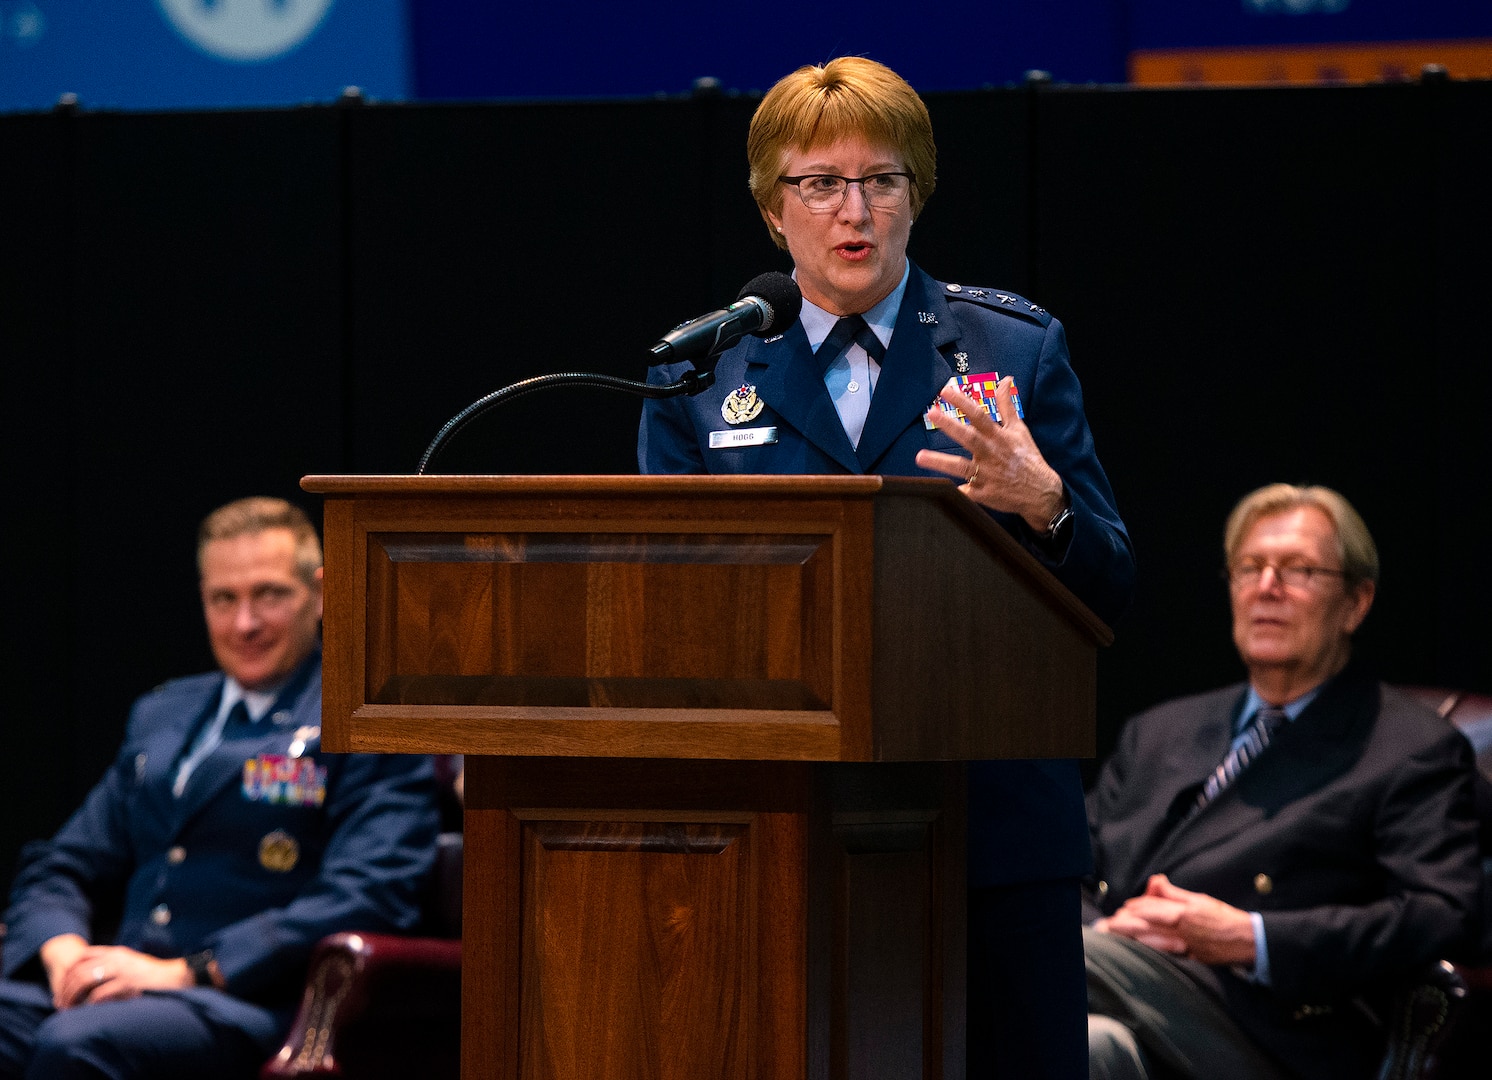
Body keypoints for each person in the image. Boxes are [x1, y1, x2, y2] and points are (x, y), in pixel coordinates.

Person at [640, 56, 1135, 1078]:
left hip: (991, 830)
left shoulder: (1014, 350)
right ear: (773, 212)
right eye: (819, 184)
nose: (852, 210)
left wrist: (1045, 507)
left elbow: (1111, 589)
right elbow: (666, 611)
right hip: (783, 827)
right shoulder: (701, 374)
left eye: (882, 180)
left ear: (918, 195)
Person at [0, 497, 439, 1080]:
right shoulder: (163, 712)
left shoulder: (364, 718)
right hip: (120, 984)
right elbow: (65, 864)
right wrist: (64, 953)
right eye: (223, 599)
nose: (245, 624)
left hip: (247, 1000)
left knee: (78, 1044)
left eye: (270, 595)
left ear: (323, 593)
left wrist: (189, 970)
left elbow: (367, 894)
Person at [1084, 483, 1482, 1080]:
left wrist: (1252, 937)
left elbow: (1443, 915)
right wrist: (1107, 929)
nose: (1266, 587)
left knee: (1024, 951)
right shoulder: (1161, 731)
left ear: (1356, 601)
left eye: (1298, 570)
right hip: (1122, 984)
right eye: (1250, 568)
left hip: (1272, 1025)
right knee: (1092, 1047)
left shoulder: (1409, 747)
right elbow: (1073, 865)